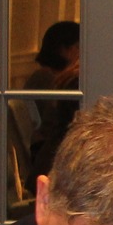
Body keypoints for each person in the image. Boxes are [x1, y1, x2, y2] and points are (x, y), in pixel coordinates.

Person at [23, 19, 81, 179]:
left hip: (46, 152)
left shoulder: (53, 77)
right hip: (47, 156)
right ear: (63, 50)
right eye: (78, 47)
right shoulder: (49, 79)